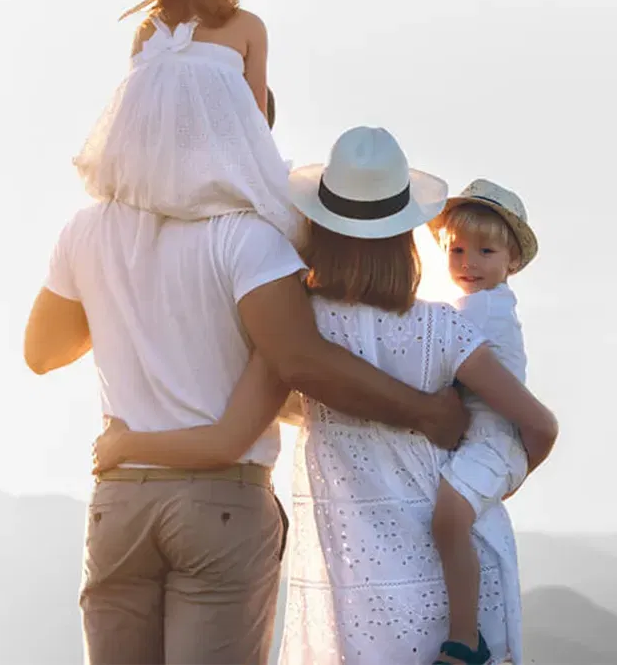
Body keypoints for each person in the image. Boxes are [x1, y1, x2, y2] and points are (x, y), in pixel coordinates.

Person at [92, 127, 558, 665]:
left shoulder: (299, 337)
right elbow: (540, 426)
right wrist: (492, 486)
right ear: (408, 233)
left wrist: (127, 444)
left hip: (358, 598)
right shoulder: (447, 332)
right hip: (458, 594)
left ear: (318, 227)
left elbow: (236, 432)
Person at [24, 145, 469, 664]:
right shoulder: (253, 240)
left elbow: (41, 352)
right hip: (223, 504)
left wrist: (121, 291)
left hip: (120, 501)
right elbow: (296, 365)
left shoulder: (88, 230)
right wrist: (425, 412)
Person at [73, 0, 300, 239]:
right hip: (225, 178)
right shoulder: (248, 27)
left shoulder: (147, 34)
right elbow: (255, 127)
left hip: (152, 184)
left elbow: (145, 120)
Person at [426, 180, 537, 663]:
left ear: (511, 260)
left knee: (449, 519)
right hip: (485, 439)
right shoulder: (485, 305)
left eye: (485, 251)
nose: (468, 263)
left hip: (493, 440)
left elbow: (440, 361)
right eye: (457, 250)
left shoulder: (481, 309)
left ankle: (465, 640)